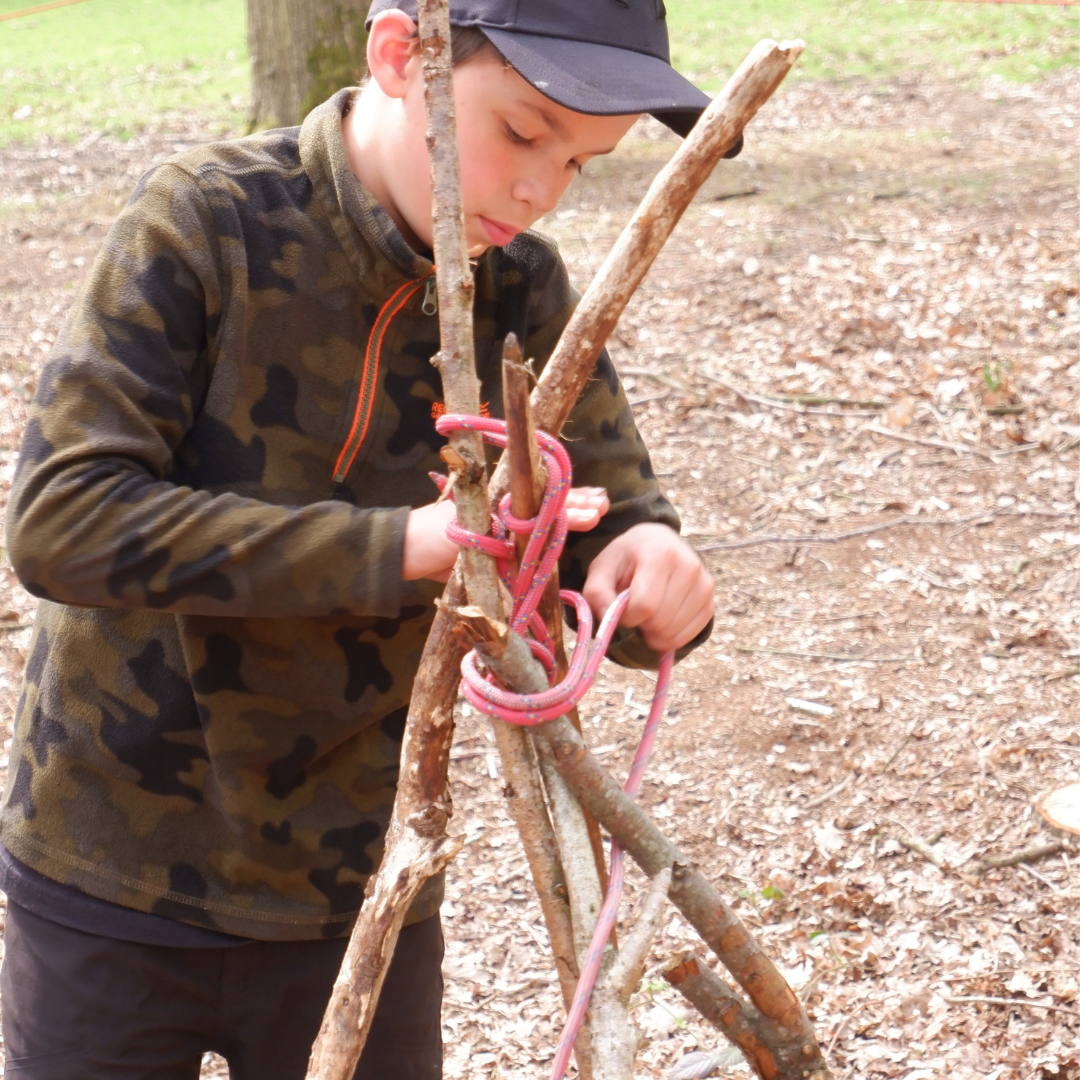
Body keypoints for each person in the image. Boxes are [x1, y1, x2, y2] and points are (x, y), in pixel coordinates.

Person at [0, 2, 721, 1077]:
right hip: (113, 863)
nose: (539, 191)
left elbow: (591, 522)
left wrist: (648, 568)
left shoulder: (519, 286)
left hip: (364, 883)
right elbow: (62, 521)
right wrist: (403, 547)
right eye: (522, 133)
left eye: (582, 161)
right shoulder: (206, 223)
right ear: (400, 55)